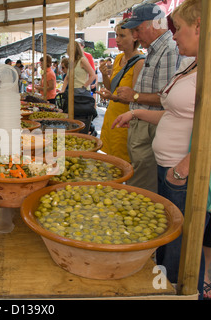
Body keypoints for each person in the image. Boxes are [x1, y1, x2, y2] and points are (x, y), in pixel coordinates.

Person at [112, 0, 210, 299]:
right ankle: (165, 284)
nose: (175, 35)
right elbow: (178, 114)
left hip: (182, 173)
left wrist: (183, 168)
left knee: (183, 242)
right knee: (170, 236)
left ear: (199, 27)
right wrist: (137, 112)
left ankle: (184, 290)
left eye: (178, 28)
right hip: (169, 166)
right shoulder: (194, 64)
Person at [115, 2, 181, 193]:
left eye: (137, 29)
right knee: (139, 176)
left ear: (153, 25)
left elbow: (166, 98)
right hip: (144, 121)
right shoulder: (155, 49)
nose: (135, 36)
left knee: (143, 184)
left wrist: (134, 96)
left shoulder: (169, 49)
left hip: (152, 125)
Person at [97, 19, 145, 163]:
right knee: (109, 159)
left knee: (121, 162)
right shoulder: (118, 58)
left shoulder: (139, 62)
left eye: (122, 36)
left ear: (135, 37)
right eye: (116, 35)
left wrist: (114, 97)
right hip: (111, 115)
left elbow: (135, 97)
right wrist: (105, 75)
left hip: (125, 121)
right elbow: (112, 87)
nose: (116, 40)